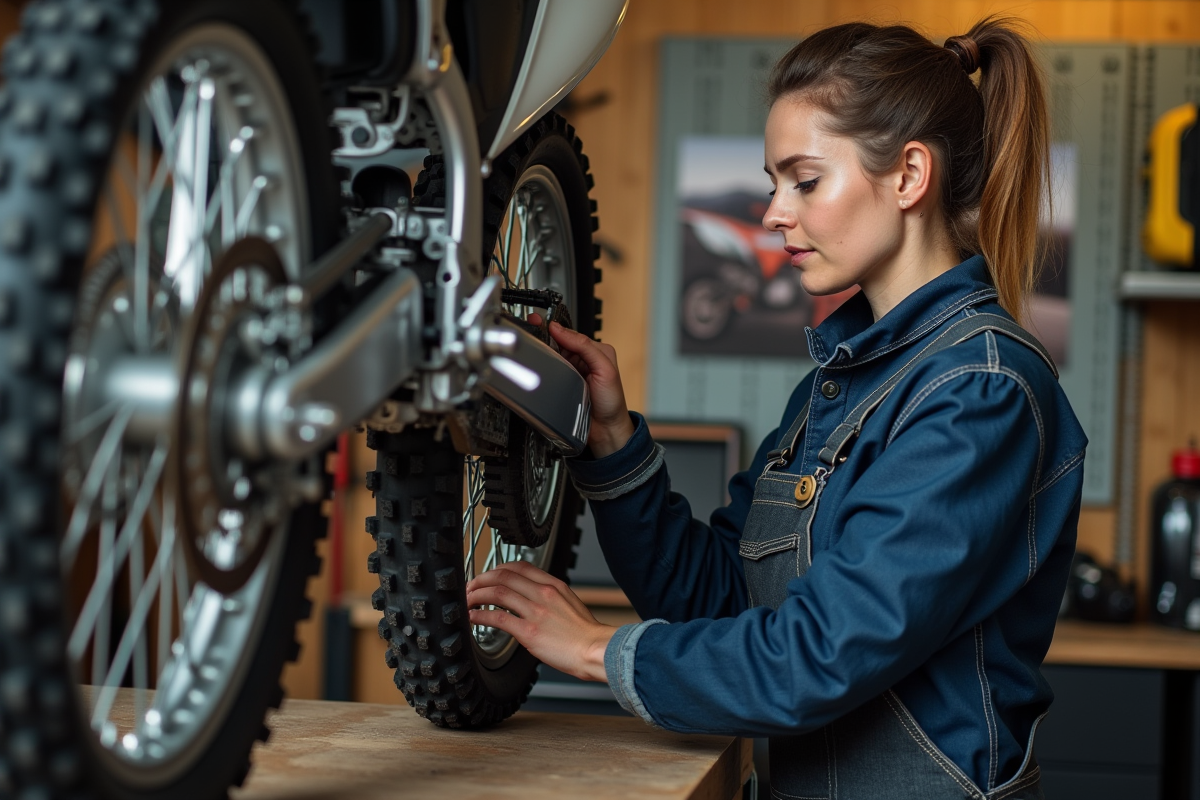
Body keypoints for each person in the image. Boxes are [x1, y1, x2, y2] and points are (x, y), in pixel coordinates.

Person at [467, 17, 1086, 800]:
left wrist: (596, 650)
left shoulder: (981, 390)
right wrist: (613, 440)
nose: (772, 214)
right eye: (771, 183)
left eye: (805, 180)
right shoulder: (842, 380)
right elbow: (724, 603)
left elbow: (818, 658)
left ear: (908, 176)